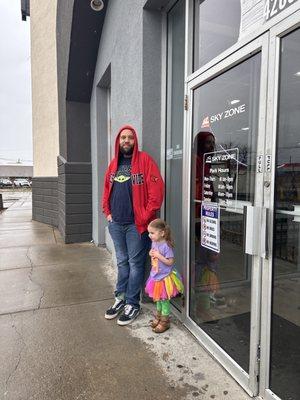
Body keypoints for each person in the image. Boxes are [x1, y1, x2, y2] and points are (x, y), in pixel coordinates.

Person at [102, 125, 164, 325]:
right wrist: (108, 213)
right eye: (123, 138)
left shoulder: (145, 161)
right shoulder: (113, 165)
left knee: (136, 264)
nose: (126, 141)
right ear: (118, 142)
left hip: (136, 226)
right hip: (116, 224)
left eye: (129, 137)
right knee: (122, 263)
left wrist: (145, 218)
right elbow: (105, 190)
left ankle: (132, 304)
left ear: (134, 140)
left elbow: (156, 192)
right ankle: (120, 298)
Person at [145, 219, 184, 333]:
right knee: (158, 298)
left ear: (162, 233)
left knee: (164, 299)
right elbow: (153, 252)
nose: (149, 235)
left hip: (165, 277)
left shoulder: (166, 246)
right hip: (156, 275)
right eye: (149, 233)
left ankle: (165, 321)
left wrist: (158, 255)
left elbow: (170, 262)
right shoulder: (154, 242)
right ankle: (158, 317)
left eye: (152, 233)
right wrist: (151, 253)